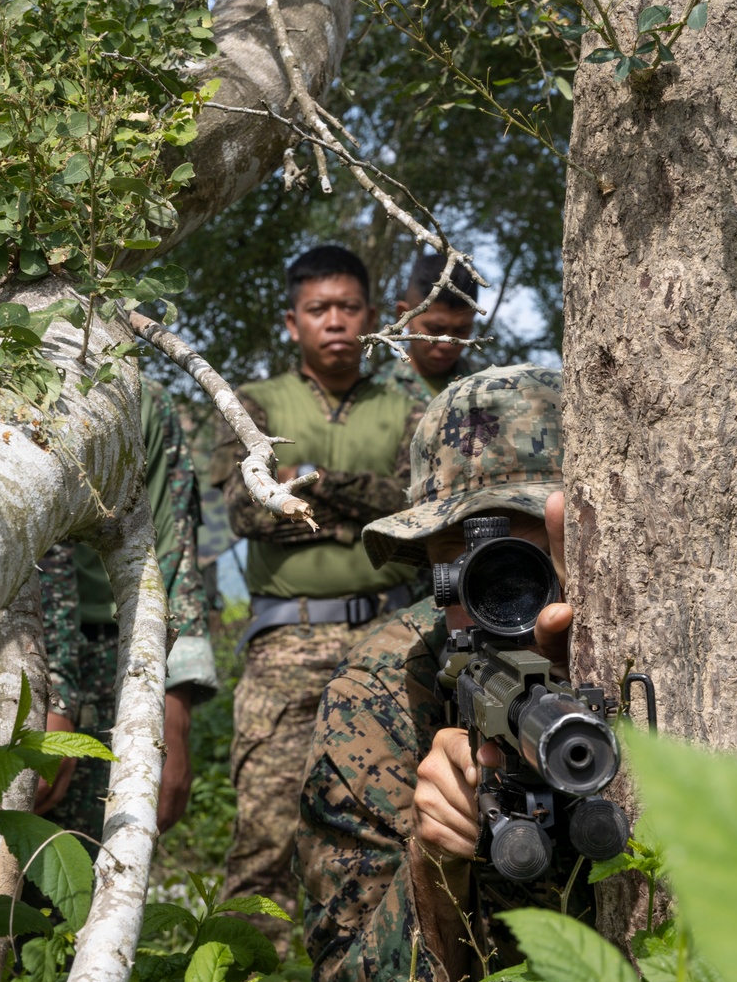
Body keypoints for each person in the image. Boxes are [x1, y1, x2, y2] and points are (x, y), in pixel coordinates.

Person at [295, 365, 737, 982]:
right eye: (465, 569)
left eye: (530, 564)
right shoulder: (383, 695)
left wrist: (634, 712)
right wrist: (435, 871)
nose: (502, 600)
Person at [210, 243, 424, 931]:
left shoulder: (409, 411)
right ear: (291, 321)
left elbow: (416, 513)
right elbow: (250, 512)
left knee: (384, 828)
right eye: (318, 309)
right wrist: (366, 518)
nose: (336, 321)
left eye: (349, 307)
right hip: (286, 643)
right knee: (265, 837)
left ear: (371, 315)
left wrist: (319, 485)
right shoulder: (252, 406)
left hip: (389, 642)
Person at [35, 377, 217, 839]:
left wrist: (171, 712)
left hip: (114, 656)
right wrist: (57, 695)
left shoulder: (141, 397)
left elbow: (174, 551)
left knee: (88, 861)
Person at [375, 251, 481, 403]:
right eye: (435, 329)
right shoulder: (376, 391)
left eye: (461, 330)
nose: (447, 344)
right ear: (404, 317)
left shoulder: (493, 386)